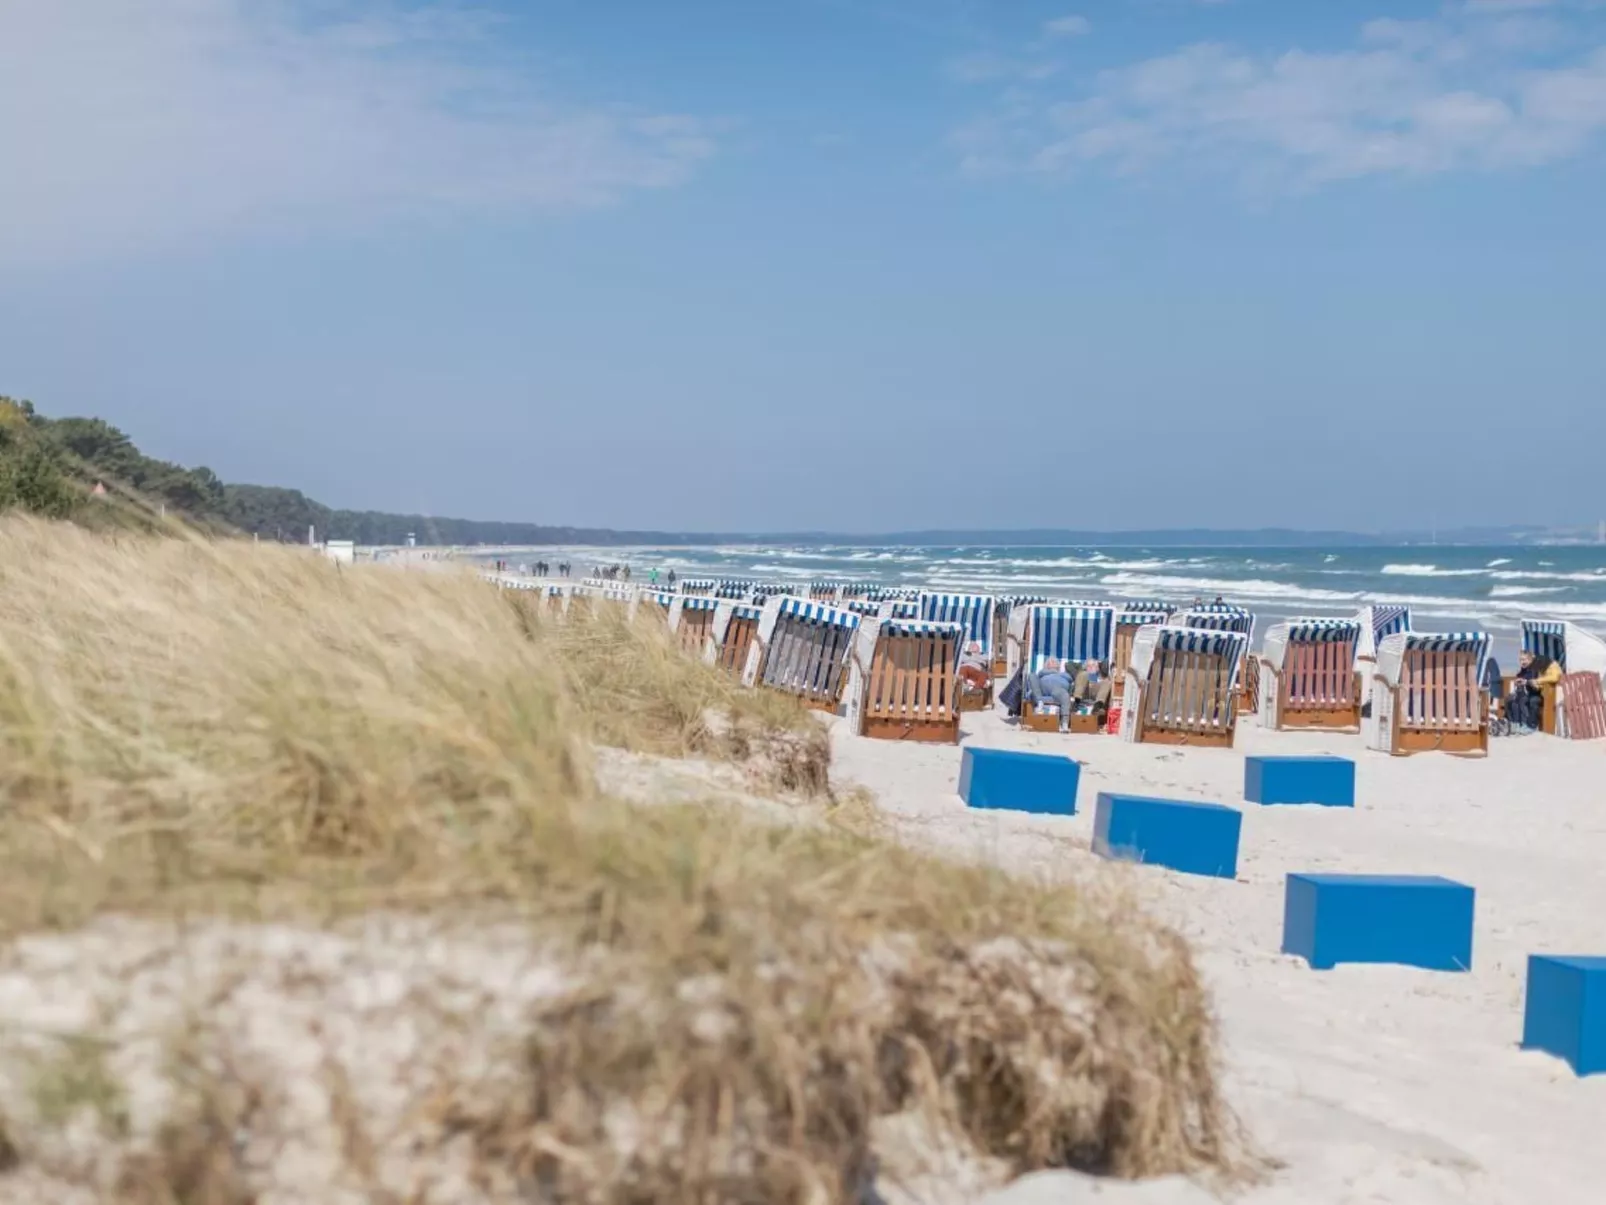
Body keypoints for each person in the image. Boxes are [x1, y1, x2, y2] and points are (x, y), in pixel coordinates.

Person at [1506, 649, 1561, 732]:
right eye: (1520, 660)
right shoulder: (1542, 668)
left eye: (1524, 659)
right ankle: (1517, 724)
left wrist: (1535, 682)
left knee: (1531, 700)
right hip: (1540, 691)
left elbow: (1554, 678)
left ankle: (1530, 726)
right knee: (1512, 699)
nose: (1522, 661)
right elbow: (1538, 681)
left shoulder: (1550, 667)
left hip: (1548, 694)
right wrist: (1532, 683)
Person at [1026, 657, 1076, 733]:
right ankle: (1039, 701)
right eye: (1050, 661)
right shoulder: (1042, 673)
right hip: (1042, 690)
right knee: (1032, 675)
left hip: (1058, 690)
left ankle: (1064, 723)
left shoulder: (1064, 674)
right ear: (1046, 665)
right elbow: (1033, 684)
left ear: (1058, 666)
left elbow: (1071, 681)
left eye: (1054, 661)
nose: (1052, 662)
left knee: (1064, 695)